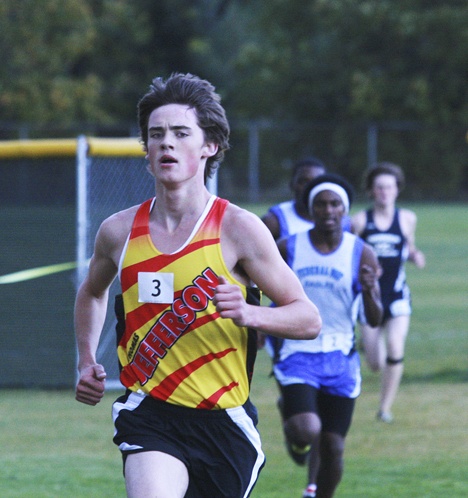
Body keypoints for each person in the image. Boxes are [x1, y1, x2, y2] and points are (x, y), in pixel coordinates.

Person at [74, 72, 321, 498]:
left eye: (180, 133)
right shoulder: (118, 232)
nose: (166, 142)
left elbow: (308, 318)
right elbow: (93, 292)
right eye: (156, 135)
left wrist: (249, 313)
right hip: (150, 413)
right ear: (146, 152)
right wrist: (85, 361)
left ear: (210, 146)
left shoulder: (239, 229)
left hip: (223, 421)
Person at [268, 174, 383, 498]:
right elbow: (259, 283)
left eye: (335, 204)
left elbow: (374, 319)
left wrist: (372, 289)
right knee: (307, 429)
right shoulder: (288, 247)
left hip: (341, 356)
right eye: (321, 204)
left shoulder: (361, 252)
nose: (328, 210)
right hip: (296, 351)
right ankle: (291, 422)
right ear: (311, 208)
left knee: (333, 447)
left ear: (344, 210)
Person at [352, 162, 425, 423]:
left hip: (397, 297)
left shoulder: (407, 218)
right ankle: (367, 344)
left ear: (397, 190)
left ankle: (385, 409)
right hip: (369, 298)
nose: (384, 192)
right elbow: (350, 256)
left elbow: (408, 247)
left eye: (389, 187)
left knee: (395, 346)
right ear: (372, 191)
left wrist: (415, 256)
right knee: (374, 363)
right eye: (379, 187)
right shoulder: (360, 221)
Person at [261, 157, 326, 240]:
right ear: (292, 184)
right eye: (304, 181)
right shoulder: (274, 221)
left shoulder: (343, 223)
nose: (310, 187)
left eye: (317, 182)